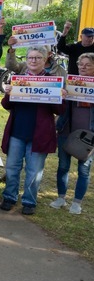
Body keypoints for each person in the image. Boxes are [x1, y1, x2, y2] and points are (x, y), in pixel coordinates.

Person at [0, 47, 66, 215]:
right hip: (17, 131)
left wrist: (60, 96)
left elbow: (59, 111)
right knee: (12, 167)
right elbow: (7, 105)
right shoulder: (18, 79)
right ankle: (9, 197)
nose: (33, 61)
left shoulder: (53, 81)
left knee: (34, 171)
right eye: (30, 57)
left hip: (40, 133)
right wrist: (8, 93)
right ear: (27, 60)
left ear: (45, 60)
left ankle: (29, 201)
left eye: (38, 58)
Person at [51, 53, 94, 214]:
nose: (83, 67)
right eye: (80, 64)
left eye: (87, 65)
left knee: (84, 169)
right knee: (63, 166)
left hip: (89, 135)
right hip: (66, 130)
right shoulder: (70, 82)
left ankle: (77, 203)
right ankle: (61, 197)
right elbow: (59, 105)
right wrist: (61, 96)